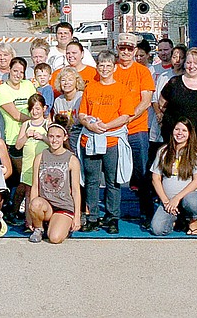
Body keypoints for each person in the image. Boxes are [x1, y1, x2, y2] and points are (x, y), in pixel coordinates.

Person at [77, 50, 132, 234]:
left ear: (114, 67)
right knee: (92, 181)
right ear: (97, 67)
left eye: (109, 65)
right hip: (91, 139)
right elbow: (82, 114)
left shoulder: (122, 88)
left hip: (112, 140)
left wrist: (107, 126)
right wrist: (90, 125)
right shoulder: (90, 88)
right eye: (102, 65)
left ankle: (112, 217)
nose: (105, 69)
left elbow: (125, 116)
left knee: (113, 181)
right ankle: (92, 217)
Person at [113, 32, 155, 227]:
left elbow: (146, 101)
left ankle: (146, 213)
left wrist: (127, 118)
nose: (126, 52)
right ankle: (112, 213)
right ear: (118, 49)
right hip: (113, 130)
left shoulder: (142, 72)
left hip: (136, 129)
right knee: (112, 172)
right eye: (123, 48)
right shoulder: (110, 69)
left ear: (135, 50)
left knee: (142, 173)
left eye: (130, 48)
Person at [149, 118, 197, 236]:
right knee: (157, 230)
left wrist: (177, 198)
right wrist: (166, 201)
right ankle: (177, 219)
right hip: (168, 201)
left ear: (190, 134)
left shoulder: (195, 153)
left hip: (188, 198)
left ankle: (193, 221)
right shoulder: (163, 151)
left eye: (184, 130)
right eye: (177, 129)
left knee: (193, 203)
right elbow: (156, 179)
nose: (180, 133)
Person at [27, 122, 82, 243]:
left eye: (58, 137)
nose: (54, 140)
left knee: (55, 238)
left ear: (65, 137)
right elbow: (35, 186)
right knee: (35, 204)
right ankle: (39, 228)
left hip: (63, 206)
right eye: (51, 136)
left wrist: (77, 216)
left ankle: (60, 225)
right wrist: (30, 215)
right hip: (46, 204)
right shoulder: (40, 157)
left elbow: (76, 190)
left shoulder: (72, 160)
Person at [11, 93, 49, 226]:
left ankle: (41, 221)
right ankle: (29, 222)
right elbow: (18, 145)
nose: (35, 111)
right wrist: (26, 136)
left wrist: (43, 137)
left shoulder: (47, 124)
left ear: (44, 109)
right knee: (28, 193)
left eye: (38, 108)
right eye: (32, 108)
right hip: (28, 165)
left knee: (43, 192)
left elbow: (54, 142)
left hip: (44, 165)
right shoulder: (26, 124)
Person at [0, 57, 35, 180]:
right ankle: (14, 199)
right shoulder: (2, 90)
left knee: (32, 176)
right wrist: (35, 121)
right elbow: (16, 115)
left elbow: (36, 104)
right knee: (23, 178)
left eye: (21, 72)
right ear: (9, 70)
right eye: (15, 71)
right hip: (14, 139)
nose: (18, 75)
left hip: (32, 136)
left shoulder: (28, 85)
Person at [51, 67, 85, 149]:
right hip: (64, 132)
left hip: (79, 131)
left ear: (76, 82)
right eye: (63, 80)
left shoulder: (81, 97)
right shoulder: (58, 100)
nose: (66, 83)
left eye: (70, 79)